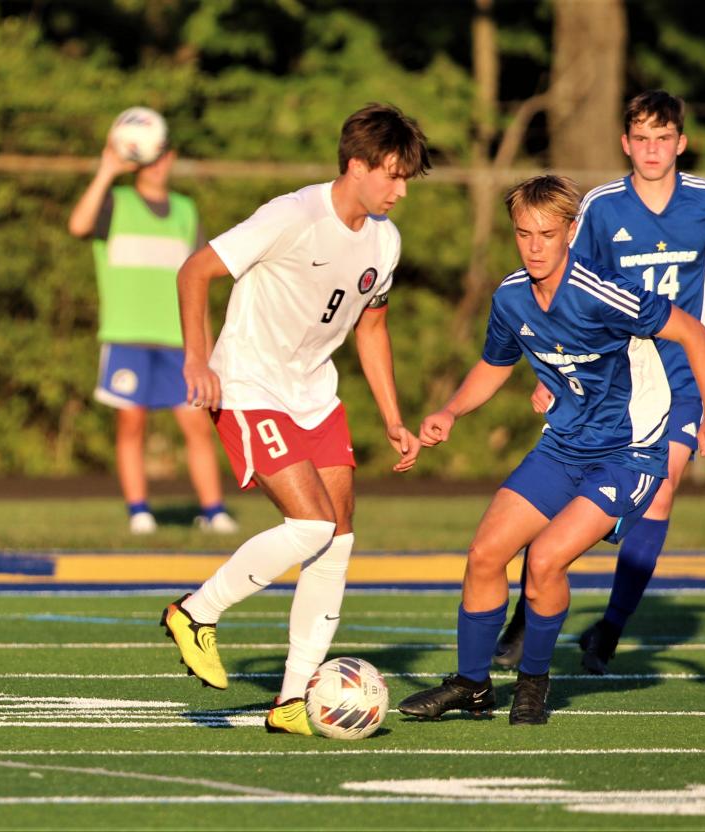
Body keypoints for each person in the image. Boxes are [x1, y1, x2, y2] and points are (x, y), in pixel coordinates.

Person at [397, 174, 705, 725]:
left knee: (547, 559)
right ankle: (473, 685)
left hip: (630, 452)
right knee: (484, 555)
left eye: (546, 234)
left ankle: (533, 683)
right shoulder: (510, 297)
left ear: (571, 232)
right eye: (523, 233)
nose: (533, 246)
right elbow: (494, 364)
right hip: (563, 446)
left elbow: (693, 334)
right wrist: (450, 411)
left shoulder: (604, 291)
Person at [159, 103, 430, 735]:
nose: (400, 189)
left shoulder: (385, 241)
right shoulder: (293, 214)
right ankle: (196, 612)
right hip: (251, 385)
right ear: (356, 165)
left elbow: (373, 326)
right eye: (392, 174)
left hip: (315, 394)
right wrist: (197, 362)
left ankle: (288, 704)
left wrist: (392, 416)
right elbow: (194, 270)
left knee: (337, 538)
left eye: (407, 177)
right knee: (310, 524)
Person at [494, 90, 705, 674]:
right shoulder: (600, 206)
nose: (652, 150)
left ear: (681, 143)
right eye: (641, 138)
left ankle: (609, 630)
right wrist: (552, 372)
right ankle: (524, 609)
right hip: (613, 372)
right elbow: (557, 283)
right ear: (625, 143)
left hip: (684, 370)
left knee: (663, 488)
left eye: (663, 139)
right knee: (557, 496)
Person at [68, 112, 238, 535]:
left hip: (179, 339)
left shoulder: (185, 210)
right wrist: (107, 170)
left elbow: (199, 280)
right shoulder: (116, 202)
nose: (158, 165)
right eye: (150, 158)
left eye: (164, 156)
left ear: (171, 157)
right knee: (132, 424)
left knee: (197, 424)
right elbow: (78, 225)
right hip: (126, 335)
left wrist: (210, 345)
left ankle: (213, 510)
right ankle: (139, 510)